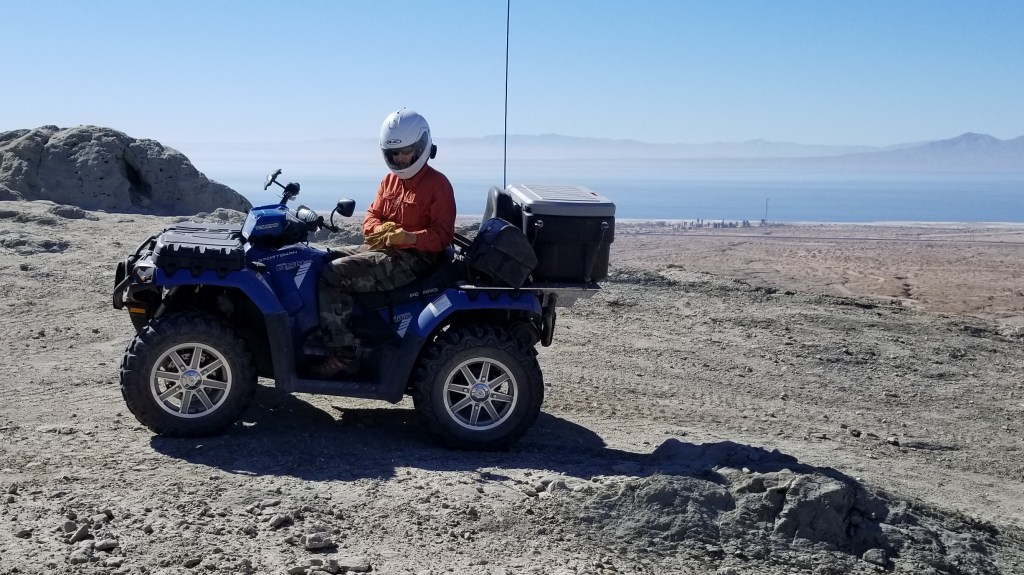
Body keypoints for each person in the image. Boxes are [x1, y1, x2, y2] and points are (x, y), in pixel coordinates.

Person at [312, 108, 456, 378]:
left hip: (416, 259)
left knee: (334, 274)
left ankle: (343, 354)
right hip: (385, 250)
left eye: (406, 151)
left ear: (421, 146)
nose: (400, 158)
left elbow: (442, 236)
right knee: (320, 260)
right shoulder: (389, 181)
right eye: (394, 153)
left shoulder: (438, 185)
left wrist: (409, 237)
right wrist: (379, 230)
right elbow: (370, 218)